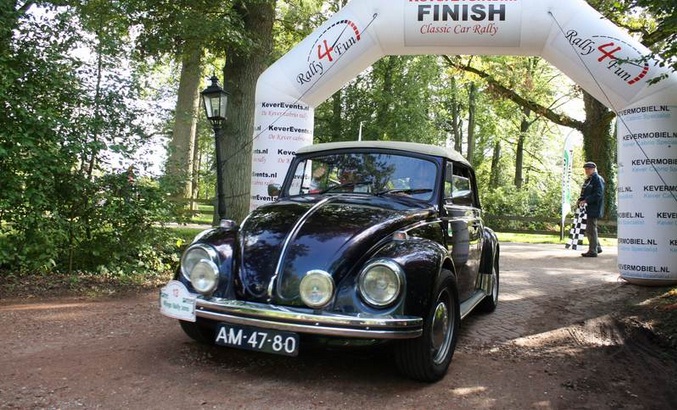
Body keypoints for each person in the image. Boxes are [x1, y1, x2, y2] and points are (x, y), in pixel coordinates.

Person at [577, 161, 605, 257]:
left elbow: (598, 194)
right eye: (585, 169)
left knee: (591, 229)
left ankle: (593, 250)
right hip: (587, 208)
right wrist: (580, 200)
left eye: (588, 168)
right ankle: (597, 247)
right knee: (589, 229)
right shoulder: (589, 179)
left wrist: (586, 200)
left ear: (594, 169)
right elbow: (584, 193)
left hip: (594, 208)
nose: (586, 170)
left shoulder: (597, 179)